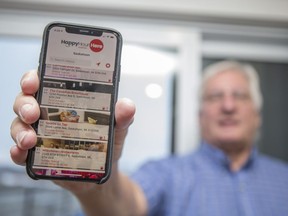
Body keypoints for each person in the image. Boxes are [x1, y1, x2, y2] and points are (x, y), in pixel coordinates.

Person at [10, 61, 288, 216]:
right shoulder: (166, 173)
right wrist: (93, 186)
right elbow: (126, 205)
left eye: (239, 96)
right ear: (200, 115)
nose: (228, 106)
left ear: (258, 113)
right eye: (216, 97)